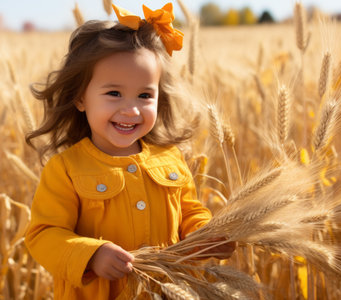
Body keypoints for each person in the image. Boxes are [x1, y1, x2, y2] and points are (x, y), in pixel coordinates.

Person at [24, 3, 235, 299]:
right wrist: (91, 255)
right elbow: (43, 235)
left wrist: (205, 234)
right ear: (80, 98)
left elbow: (188, 212)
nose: (132, 109)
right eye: (114, 93)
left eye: (145, 95)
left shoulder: (169, 158)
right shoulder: (66, 169)